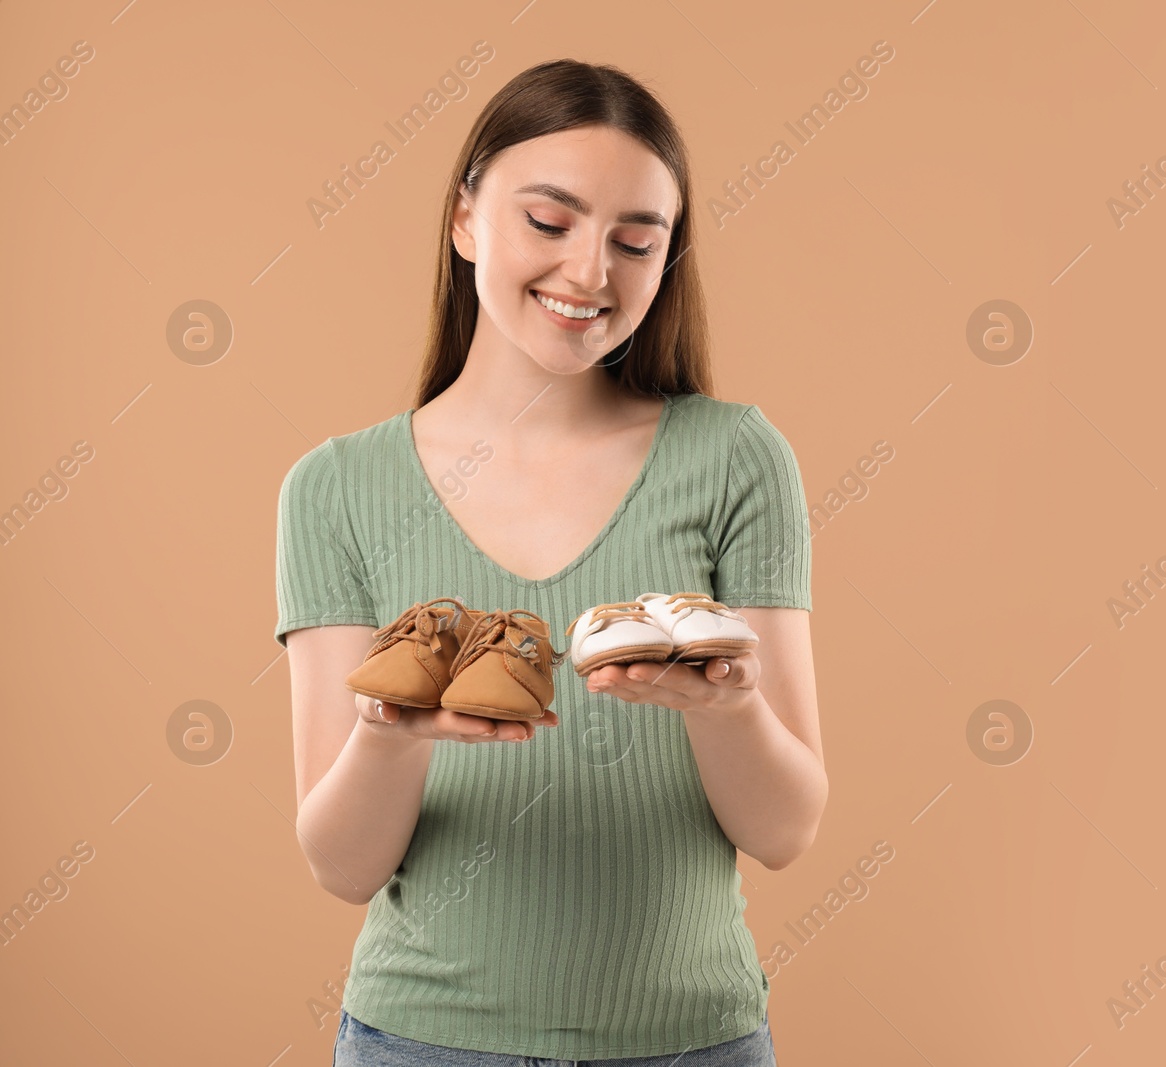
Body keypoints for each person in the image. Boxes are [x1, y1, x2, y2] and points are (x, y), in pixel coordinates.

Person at [273, 58, 825, 1066]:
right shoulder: (334, 487)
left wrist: (726, 705)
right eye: (550, 221)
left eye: (634, 240)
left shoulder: (737, 457)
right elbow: (342, 865)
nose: (589, 273)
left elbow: (785, 829)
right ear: (465, 219)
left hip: (690, 1042)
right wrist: (390, 733)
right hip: (422, 1042)